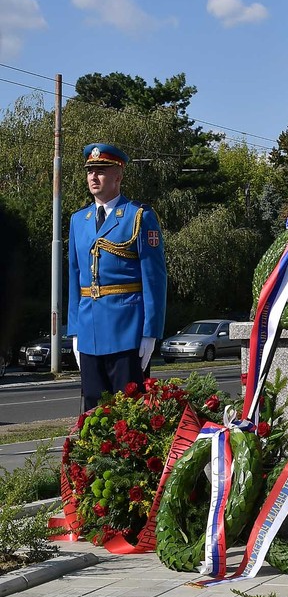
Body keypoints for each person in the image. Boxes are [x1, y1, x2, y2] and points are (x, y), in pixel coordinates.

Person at [67, 143, 167, 409]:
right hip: (89, 329)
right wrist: (74, 331)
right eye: (90, 171)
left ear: (118, 176)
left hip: (127, 330)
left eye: (101, 170)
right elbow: (75, 277)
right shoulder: (79, 220)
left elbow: (154, 279)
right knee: (93, 411)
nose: (93, 177)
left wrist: (150, 333)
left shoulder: (138, 216)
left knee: (129, 411)